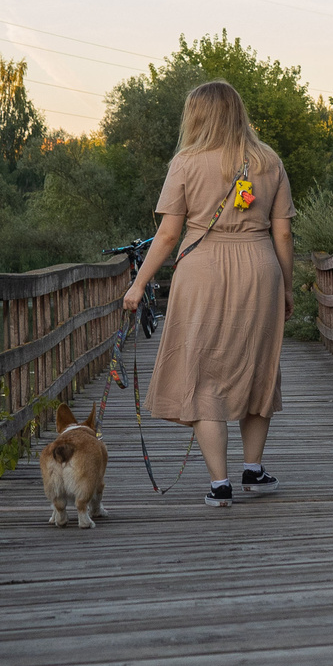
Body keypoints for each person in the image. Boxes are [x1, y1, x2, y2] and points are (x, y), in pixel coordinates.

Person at [122, 80, 296, 506]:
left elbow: (168, 235)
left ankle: (220, 484)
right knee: (258, 367)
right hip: (260, 272)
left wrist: (139, 283)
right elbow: (283, 233)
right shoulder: (268, 161)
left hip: (202, 273)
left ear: (197, 116)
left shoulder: (185, 162)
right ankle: (254, 470)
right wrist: (288, 287)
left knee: (203, 374)